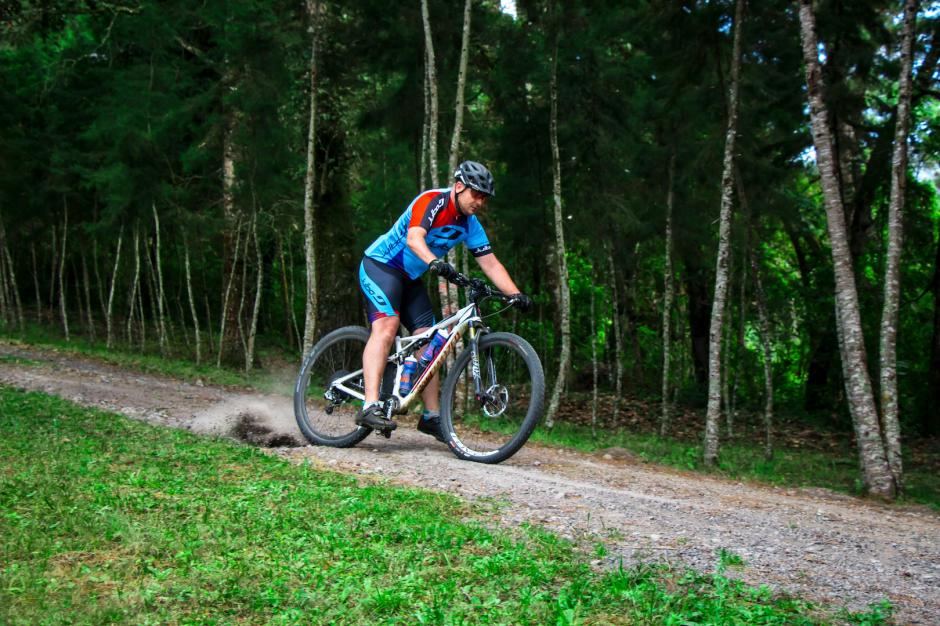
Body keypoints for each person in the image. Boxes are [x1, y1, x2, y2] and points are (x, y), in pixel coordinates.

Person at [356, 160, 533, 440]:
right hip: (381, 266)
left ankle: (431, 417)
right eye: (476, 194)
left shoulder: (470, 226)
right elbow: (415, 239)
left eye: (484, 198)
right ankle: (369, 405)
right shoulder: (432, 201)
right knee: (387, 327)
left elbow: (490, 264)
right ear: (459, 186)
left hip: (409, 278)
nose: (480, 202)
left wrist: (516, 294)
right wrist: (435, 262)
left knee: (430, 341)